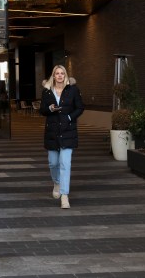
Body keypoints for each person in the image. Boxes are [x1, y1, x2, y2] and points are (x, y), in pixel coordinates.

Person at [39, 65, 84, 209]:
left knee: (65, 163)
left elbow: (80, 107)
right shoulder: (47, 91)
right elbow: (42, 110)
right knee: (53, 163)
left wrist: (70, 117)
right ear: (53, 76)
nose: (59, 76)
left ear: (65, 75)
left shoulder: (73, 90)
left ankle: (65, 195)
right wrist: (50, 108)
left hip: (68, 131)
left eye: (62, 73)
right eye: (57, 73)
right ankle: (57, 182)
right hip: (52, 131)